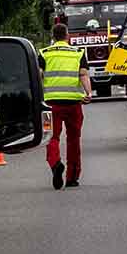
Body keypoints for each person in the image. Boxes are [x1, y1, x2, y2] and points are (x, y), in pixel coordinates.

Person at [39, 23, 92, 190]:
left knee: (51, 137)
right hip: (73, 103)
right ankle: (72, 177)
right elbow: (83, 74)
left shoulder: (44, 53)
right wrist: (88, 93)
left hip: (50, 104)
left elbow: (39, 75)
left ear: (53, 37)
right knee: (73, 139)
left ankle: (55, 164)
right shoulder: (78, 53)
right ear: (67, 36)